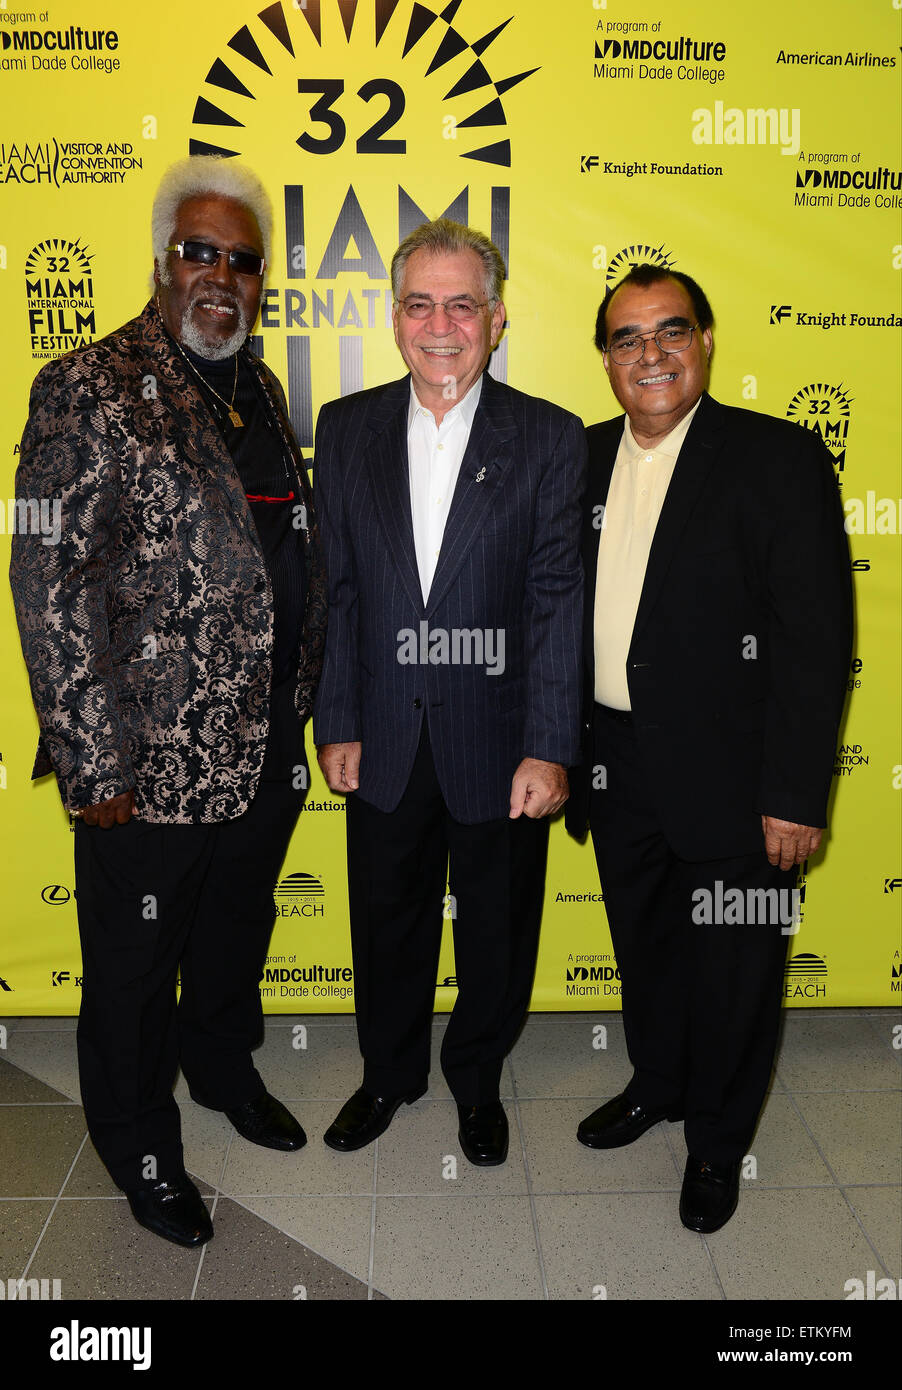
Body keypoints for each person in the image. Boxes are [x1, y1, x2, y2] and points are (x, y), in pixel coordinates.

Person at [9, 156, 327, 1247]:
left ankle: (224, 1070)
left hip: (264, 740)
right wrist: (93, 761)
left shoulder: (262, 388)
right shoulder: (86, 385)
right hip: (144, 761)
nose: (220, 277)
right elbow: (48, 583)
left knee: (236, 928)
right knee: (138, 963)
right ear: (161, 260)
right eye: (200, 252)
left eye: (241, 261)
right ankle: (141, 1143)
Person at [566, 263, 851, 1231]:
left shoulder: (775, 457)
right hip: (613, 760)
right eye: (625, 338)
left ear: (706, 341)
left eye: (668, 330)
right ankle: (658, 1086)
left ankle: (717, 1144)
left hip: (738, 776)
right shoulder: (583, 456)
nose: (648, 353)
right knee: (644, 950)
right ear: (605, 357)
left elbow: (813, 641)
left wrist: (795, 792)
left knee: (734, 968)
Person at [313, 218, 586, 1165]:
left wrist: (550, 745)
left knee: (498, 934)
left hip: (501, 740)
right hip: (383, 732)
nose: (441, 325)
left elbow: (558, 601)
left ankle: (477, 1082)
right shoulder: (344, 430)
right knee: (384, 922)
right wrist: (337, 718)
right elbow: (337, 590)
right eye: (420, 304)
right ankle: (388, 1077)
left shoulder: (549, 439)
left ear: (497, 319)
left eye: (461, 305)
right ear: (394, 318)